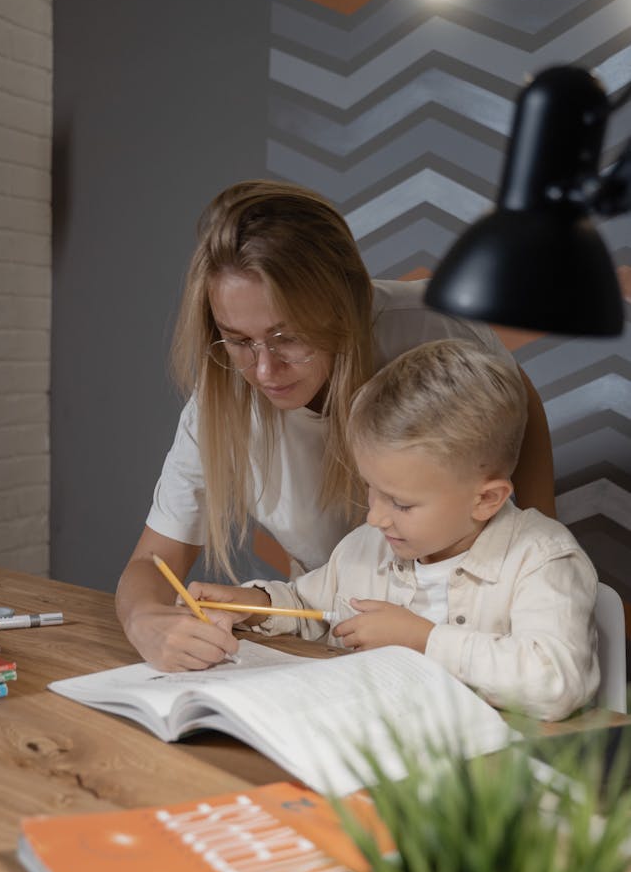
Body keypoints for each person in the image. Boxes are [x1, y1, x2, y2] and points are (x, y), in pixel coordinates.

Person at [116, 180, 556, 673]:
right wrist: (147, 622)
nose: (264, 371)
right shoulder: (219, 403)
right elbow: (152, 565)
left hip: (472, 635)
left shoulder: (428, 329)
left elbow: (518, 403)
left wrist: (536, 543)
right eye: (238, 341)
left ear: (344, 308)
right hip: (342, 633)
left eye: (288, 337)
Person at [189, 339, 599, 723]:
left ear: (486, 500)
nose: (375, 517)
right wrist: (254, 603)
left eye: (401, 503)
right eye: (371, 489)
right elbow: (308, 608)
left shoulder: (541, 558)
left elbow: (556, 681)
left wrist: (423, 640)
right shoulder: (368, 548)